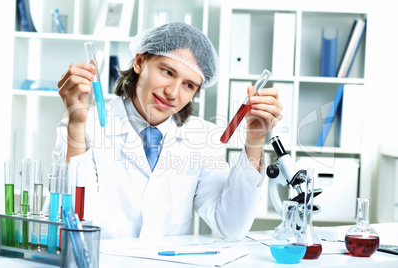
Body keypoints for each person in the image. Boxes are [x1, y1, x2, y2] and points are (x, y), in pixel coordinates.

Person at [53, 22, 283, 240]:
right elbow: (73, 223)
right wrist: (76, 124)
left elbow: (231, 226)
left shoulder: (201, 138)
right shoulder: (83, 126)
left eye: (189, 85)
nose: (173, 92)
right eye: (167, 72)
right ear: (140, 62)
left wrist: (255, 140)